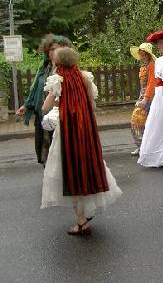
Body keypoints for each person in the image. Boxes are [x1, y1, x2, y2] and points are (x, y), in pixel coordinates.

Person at [40, 47, 122, 235]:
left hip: (68, 130)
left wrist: (61, 102)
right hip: (86, 130)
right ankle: (87, 211)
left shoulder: (57, 80)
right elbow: (91, 105)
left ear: (58, 63)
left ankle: (81, 220)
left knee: (70, 170)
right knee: (88, 164)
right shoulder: (85, 77)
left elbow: (46, 106)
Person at [16, 35, 72, 165]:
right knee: (45, 150)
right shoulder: (44, 68)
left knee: (61, 153)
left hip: (62, 118)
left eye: (57, 49)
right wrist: (27, 105)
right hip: (43, 116)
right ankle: (50, 175)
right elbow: (36, 89)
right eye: (51, 49)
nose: (54, 52)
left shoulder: (68, 70)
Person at [137, 30, 163, 167]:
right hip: (160, 94)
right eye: (158, 44)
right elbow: (155, 80)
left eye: (161, 43)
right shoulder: (159, 60)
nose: (159, 46)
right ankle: (158, 152)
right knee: (157, 121)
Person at [129, 42, 156, 156]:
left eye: (143, 53)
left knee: (140, 121)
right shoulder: (143, 66)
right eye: (140, 53)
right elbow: (143, 86)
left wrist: (145, 98)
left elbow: (152, 83)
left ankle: (145, 147)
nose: (141, 55)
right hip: (143, 95)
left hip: (150, 97)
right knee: (140, 121)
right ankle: (142, 146)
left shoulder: (151, 65)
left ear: (147, 54)